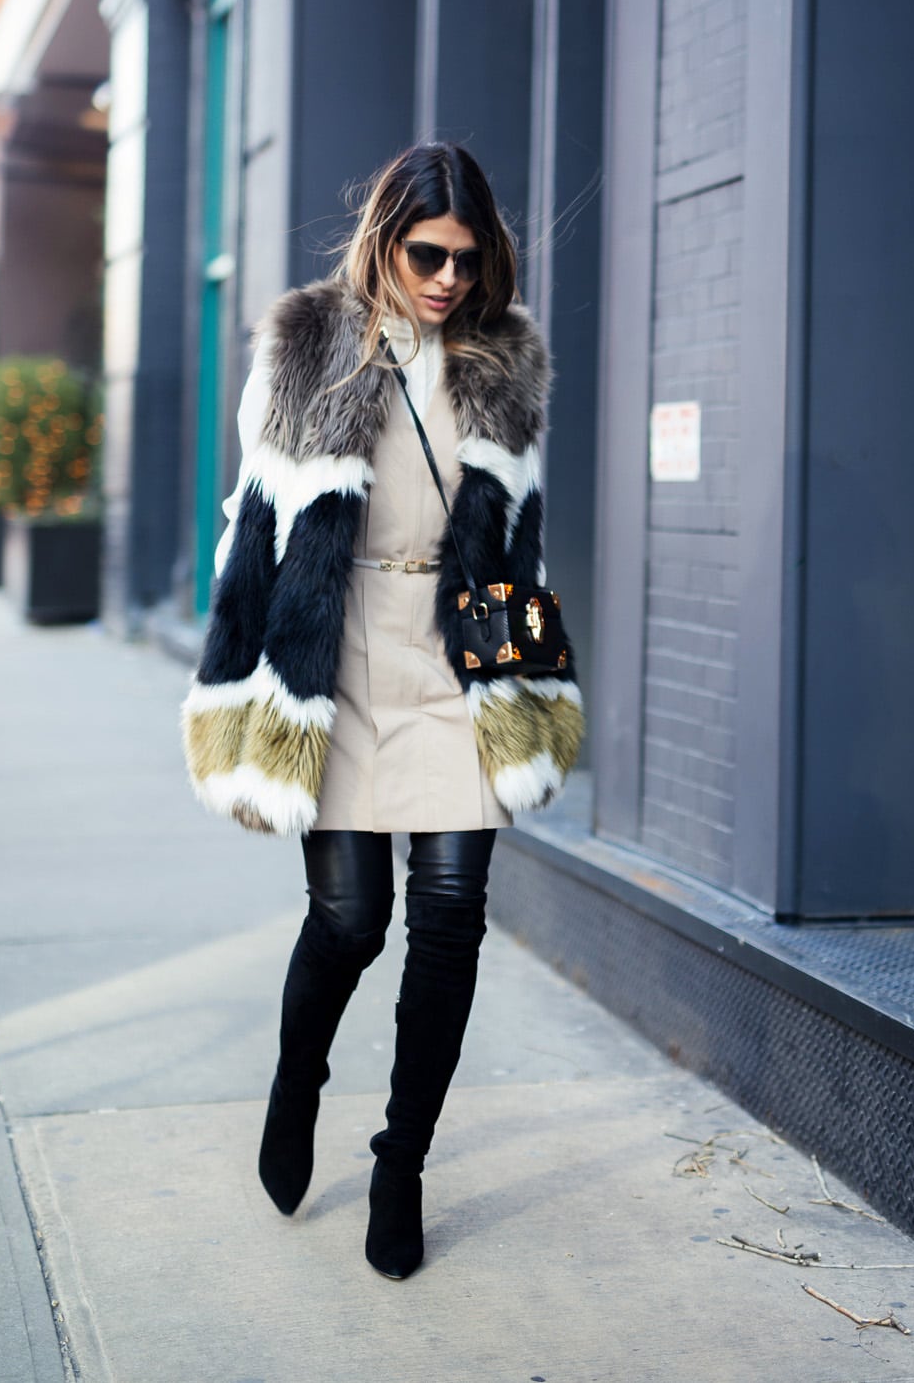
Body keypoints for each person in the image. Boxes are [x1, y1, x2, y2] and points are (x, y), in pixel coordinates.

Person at [182, 141, 583, 1278]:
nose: (449, 277)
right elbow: (253, 528)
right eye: (427, 253)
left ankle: (401, 1158)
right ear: (385, 238)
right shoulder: (306, 348)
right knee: (353, 921)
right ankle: (296, 1077)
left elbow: (517, 544)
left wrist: (530, 688)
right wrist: (235, 685)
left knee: (449, 919)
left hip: (452, 662)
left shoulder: (504, 365)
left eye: (468, 257)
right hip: (339, 656)